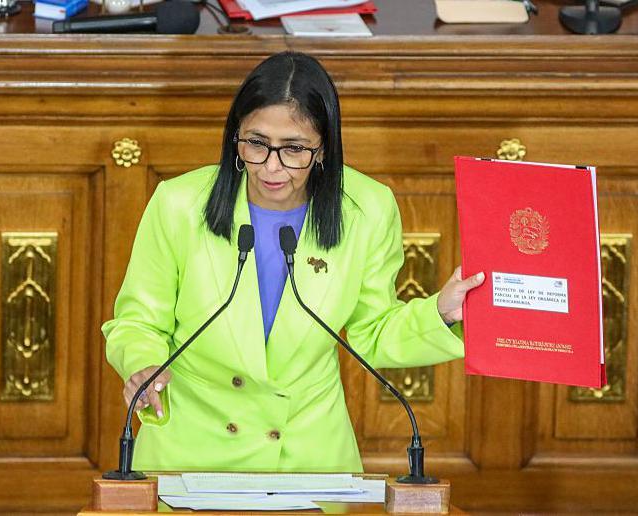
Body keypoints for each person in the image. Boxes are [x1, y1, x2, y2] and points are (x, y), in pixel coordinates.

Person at [102, 51, 485, 473]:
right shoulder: (178, 204)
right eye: (256, 144)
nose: (271, 167)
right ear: (236, 137)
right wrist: (143, 363)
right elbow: (137, 322)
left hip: (307, 458)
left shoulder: (367, 209)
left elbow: (371, 334)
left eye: (295, 149)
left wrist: (441, 313)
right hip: (192, 451)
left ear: (323, 148)